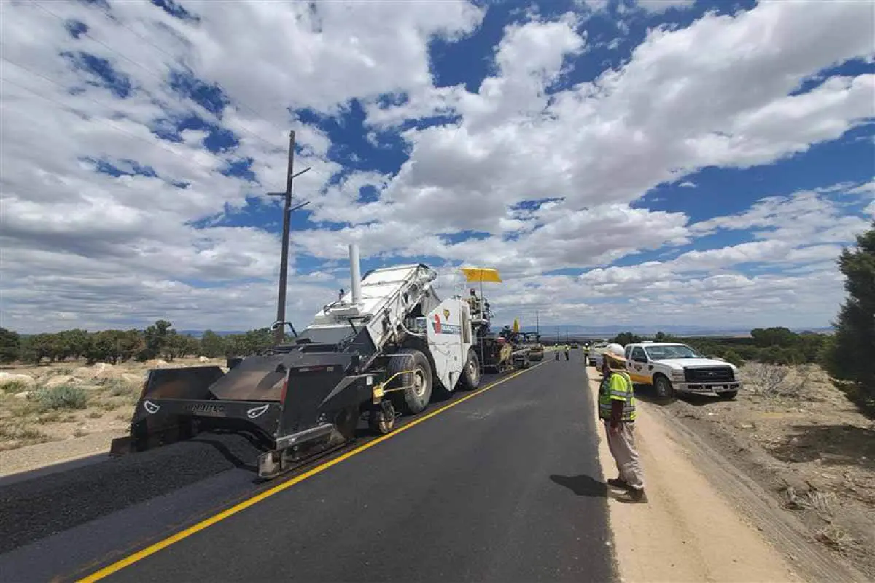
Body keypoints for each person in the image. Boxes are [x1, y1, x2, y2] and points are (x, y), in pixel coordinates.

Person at [598, 354, 646, 502]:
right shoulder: (614, 376)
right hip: (618, 421)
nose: (603, 361)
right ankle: (624, 478)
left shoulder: (617, 377)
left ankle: (637, 488)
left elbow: (617, 403)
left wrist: (614, 424)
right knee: (618, 452)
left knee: (626, 454)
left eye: (606, 358)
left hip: (620, 423)